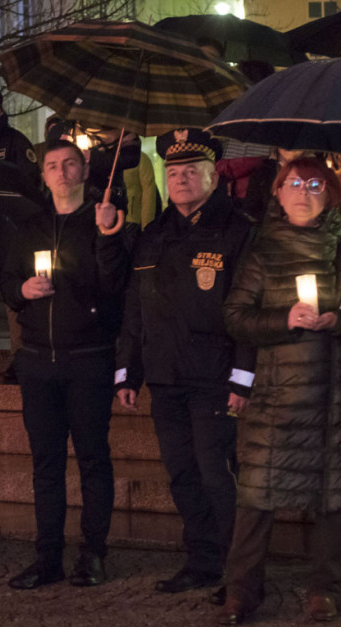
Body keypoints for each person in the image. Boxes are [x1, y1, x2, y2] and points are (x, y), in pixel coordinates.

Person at [115, 129, 256, 601]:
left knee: (217, 474)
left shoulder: (238, 229)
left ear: (213, 176)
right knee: (182, 473)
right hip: (165, 374)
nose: (180, 180)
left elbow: (248, 309)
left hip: (215, 376)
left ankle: (239, 571)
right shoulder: (153, 235)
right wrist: (127, 371)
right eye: (172, 172)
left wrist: (244, 375)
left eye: (191, 171)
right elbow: (136, 309)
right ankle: (201, 560)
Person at [0, 140, 129, 589]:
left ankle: (93, 553)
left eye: (69, 163)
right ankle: (47, 556)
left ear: (84, 168)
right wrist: (22, 292)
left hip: (88, 358)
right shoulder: (29, 225)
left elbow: (115, 286)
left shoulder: (103, 221)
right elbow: (7, 281)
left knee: (93, 459)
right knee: (46, 464)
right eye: (53, 165)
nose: (61, 172)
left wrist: (108, 236)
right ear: (44, 175)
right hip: (38, 360)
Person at [219, 157, 341, 625]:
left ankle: (325, 589)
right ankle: (242, 591)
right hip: (275, 396)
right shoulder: (263, 251)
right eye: (294, 182)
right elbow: (234, 316)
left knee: (332, 496)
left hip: (331, 395)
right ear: (277, 192)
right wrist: (283, 320)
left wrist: (336, 318)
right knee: (256, 497)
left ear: (329, 193)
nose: (303, 191)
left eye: (315, 184)